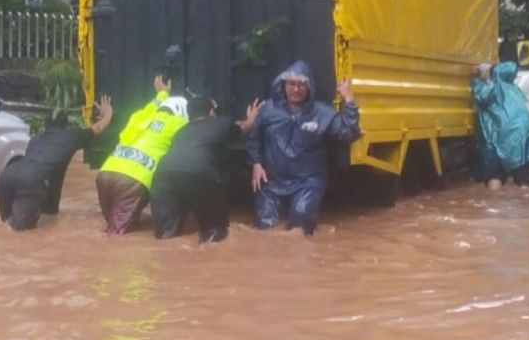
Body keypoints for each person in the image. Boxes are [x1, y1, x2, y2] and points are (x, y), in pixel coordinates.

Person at [248, 61, 361, 235]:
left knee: (300, 231)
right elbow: (254, 139)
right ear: (283, 85)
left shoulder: (322, 113)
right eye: (291, 84)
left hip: (307, 182)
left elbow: (348, 133)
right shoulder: (268, 109)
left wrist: (349, 100)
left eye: (301, 85)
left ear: (309, 87)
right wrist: (256, 163)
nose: (296, 89)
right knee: (264, 230)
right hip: (272, 182)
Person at [151, 95, 263, 244]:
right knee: (214, 234)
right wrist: (251, 118)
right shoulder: (220, 123)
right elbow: (243, 127)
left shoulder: (180, 132)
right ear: (211, 112)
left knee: (166, 237)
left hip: (162, 175)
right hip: (199, 173)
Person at [0, 96, 114, 231]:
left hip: (6, 176)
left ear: (45, 126)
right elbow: (98, 128)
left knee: (4, 224)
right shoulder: (71, 136)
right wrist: (108, 114)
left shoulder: (36, 140)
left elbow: (49, 171)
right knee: (20, 233)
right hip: (31, 181)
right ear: (66, 125)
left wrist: (52, 209)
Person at [96, 75, 188, 235]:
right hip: (132, 180)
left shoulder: (140, 117)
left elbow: (151, 107)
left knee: (112, 226)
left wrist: (162, 93)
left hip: (106, 173)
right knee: (116, 233)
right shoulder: (178, 123)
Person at [471, 61, 529, 188]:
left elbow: (481, 97)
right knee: (524, 178)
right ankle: (527, 202)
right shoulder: (517, 90)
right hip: (525, 137)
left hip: (501, 136)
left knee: (495, 175)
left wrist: (478, 79)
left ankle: (492, 203)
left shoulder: (489, 87)